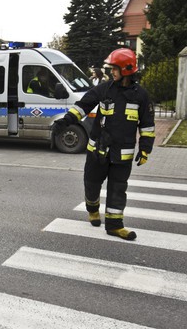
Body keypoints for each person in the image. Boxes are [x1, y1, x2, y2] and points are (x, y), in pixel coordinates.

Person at [55, 48, 155, 241]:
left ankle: (115, 226)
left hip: (122, 155)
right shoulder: (104, 89)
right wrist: (66, 121)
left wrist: (145, 149)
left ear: (126, 69)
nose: (111, 72)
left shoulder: (141, 96)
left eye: (115, 68)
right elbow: (83, 106)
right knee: (91, 185)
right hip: (97, 151)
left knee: (118, 189)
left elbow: (148, 126)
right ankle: (92, 209)